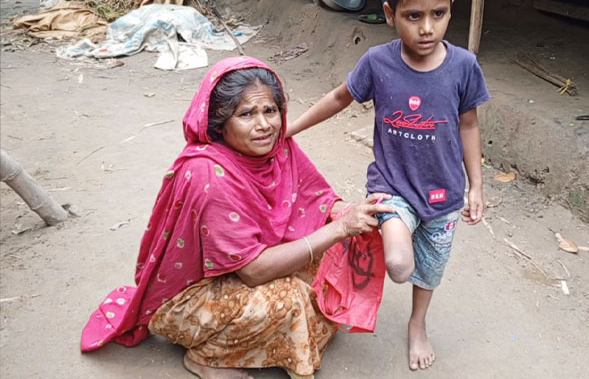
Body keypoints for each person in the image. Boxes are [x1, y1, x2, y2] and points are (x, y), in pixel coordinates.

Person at [80, 56, 394, 379]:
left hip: (243, 265)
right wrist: (341, 227)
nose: (264, 125)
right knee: (290, 299)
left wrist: (352, 213)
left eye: (270, 111)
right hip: (191, 295)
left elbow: (319, 200)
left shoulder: (276, 149)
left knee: (338, 245)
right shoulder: (208, 175)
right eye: (246, 114)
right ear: (219, 122)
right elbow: (254, 272)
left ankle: (267, 336)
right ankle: (206, 357)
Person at [286, 0, 490, 371]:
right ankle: (387, 246)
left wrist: (476, 186)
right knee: (399, 264)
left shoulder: (464, 66)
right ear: (389, 14)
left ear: (451, 7)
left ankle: (417, 323)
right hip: (392, 186)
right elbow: (339, 97)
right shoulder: (378, 62)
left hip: (444, 193)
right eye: (413, 16)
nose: (427, 28)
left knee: (430, 271)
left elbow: (469, 125)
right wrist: (292, 128)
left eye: (438, 14)